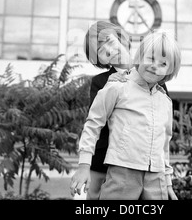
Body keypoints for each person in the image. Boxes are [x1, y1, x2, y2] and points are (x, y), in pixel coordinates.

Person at [70, 30, 181, 200]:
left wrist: (167, 183)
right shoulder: (115, 85)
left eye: (163, 63)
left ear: (170, 70)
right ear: (140, 56)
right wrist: (84, 165)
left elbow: (164, 143)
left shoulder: (164, 100)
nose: (155, 66)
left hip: (156, 176)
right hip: (122, 170)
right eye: (150, 58)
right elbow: (93, 124)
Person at [82, 21, 133, 200]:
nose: (110, 52)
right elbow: (96, 123)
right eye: (101, 52)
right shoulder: (100, 82)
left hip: (143, 162)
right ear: (99, 60)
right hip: (104, 162)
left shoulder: (152, 72)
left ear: (121, 37)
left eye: (110, 42)